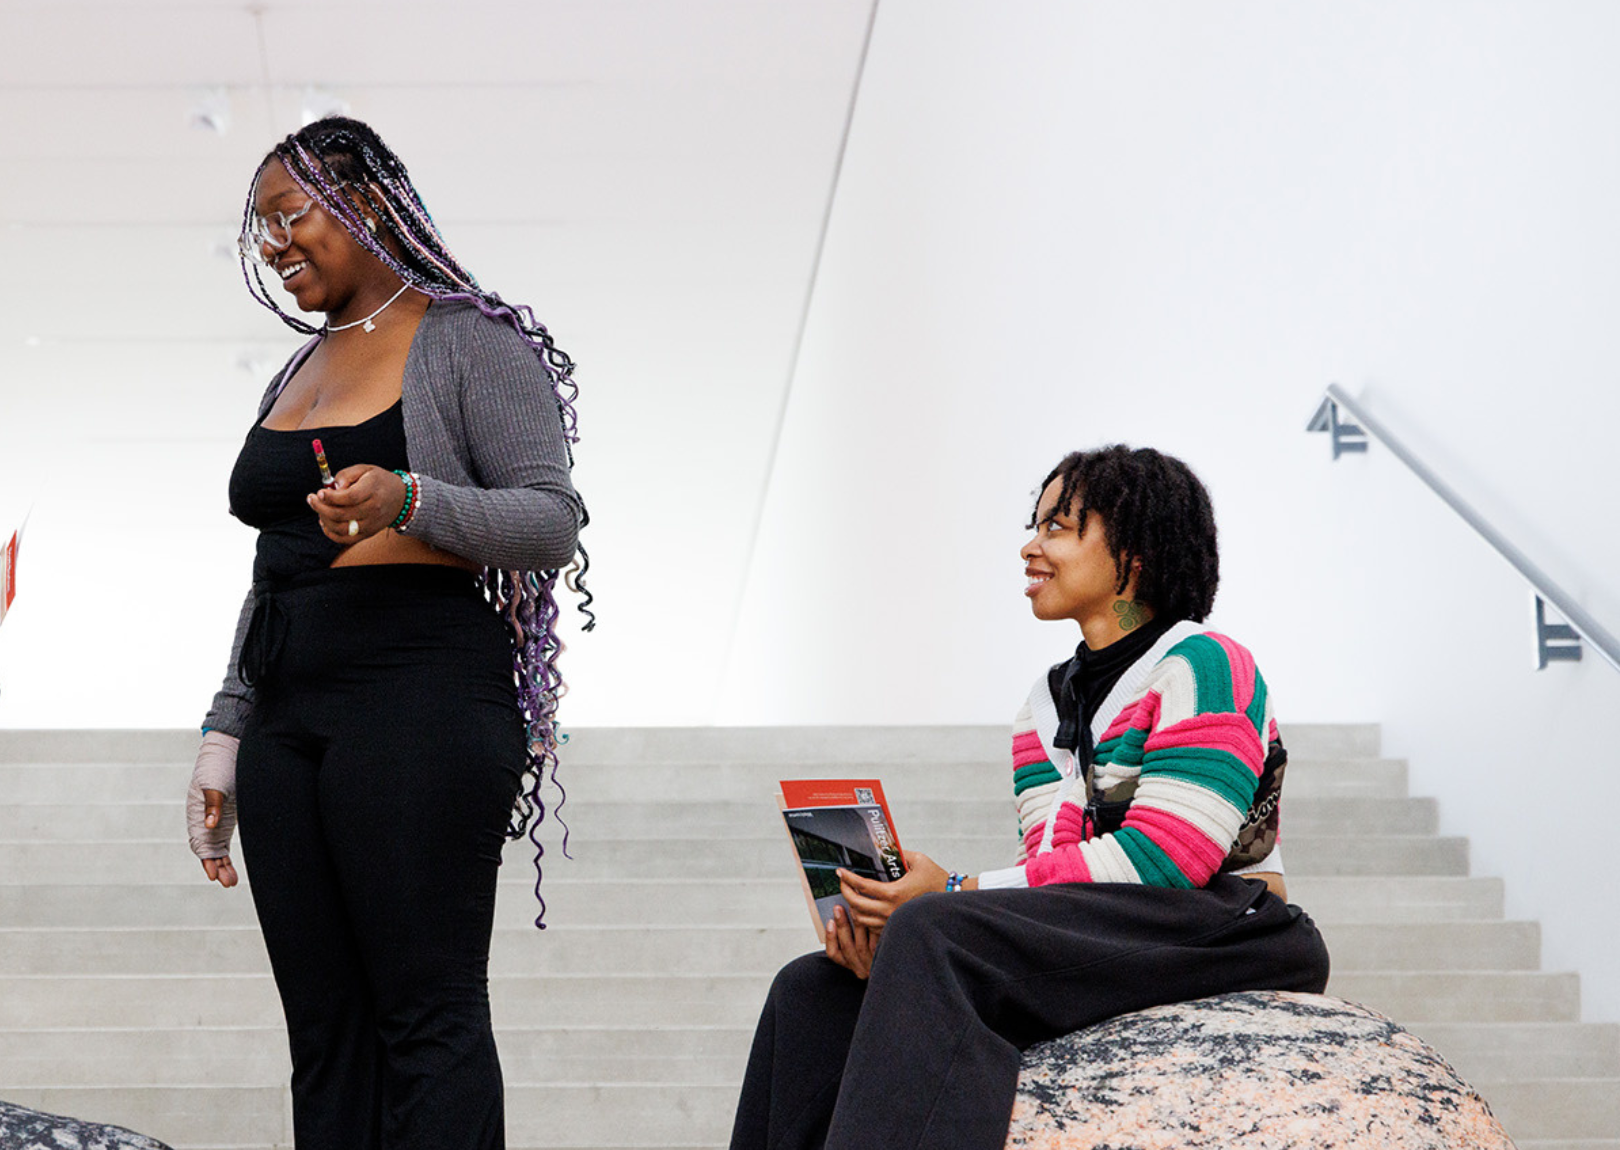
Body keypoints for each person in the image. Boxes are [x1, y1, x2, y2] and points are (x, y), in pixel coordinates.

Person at [727, 445, 1330, 1150]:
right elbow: (1054, 873)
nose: (1029, 547)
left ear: (1131, 554)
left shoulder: (1204, 663)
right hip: (1118, 929)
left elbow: (1171, 861)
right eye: (1034, 525)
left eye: (1057, 528)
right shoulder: (1043, 705)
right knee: (813, 990)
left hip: (1228, 927)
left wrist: (950, 892)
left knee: (933, 931)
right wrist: (882, 936)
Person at [181, 117, 593, 1150]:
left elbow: (550, 519)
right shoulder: (300, 369)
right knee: (324, 1033)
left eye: (290, 217)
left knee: (426, 1015)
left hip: (420, 695)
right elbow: (278, 562)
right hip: (288, 712)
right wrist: (227, 728)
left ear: (366, 204)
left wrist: (409, 497)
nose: (276, 247)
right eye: (261, 230)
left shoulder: (469, 340)